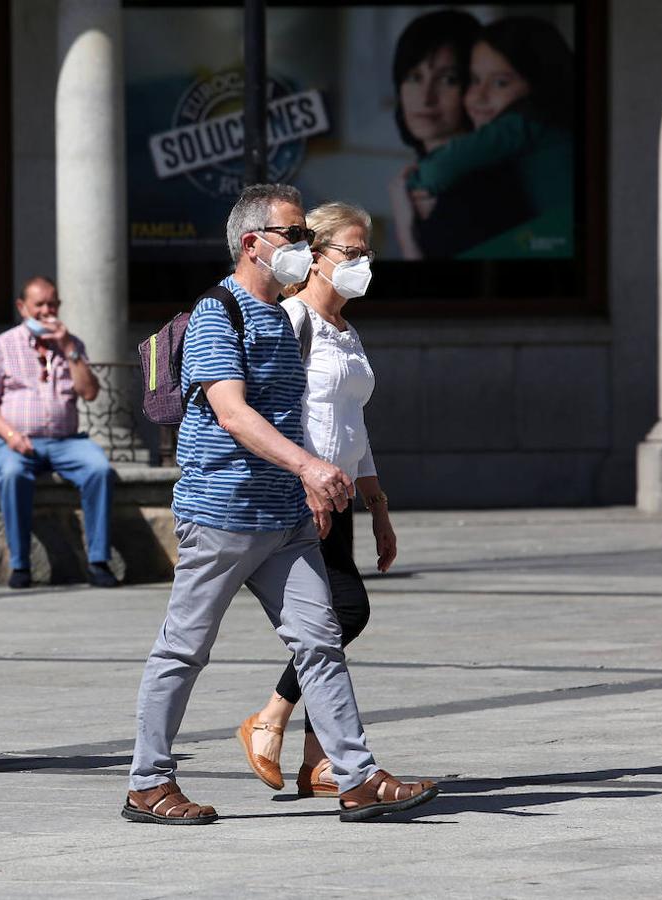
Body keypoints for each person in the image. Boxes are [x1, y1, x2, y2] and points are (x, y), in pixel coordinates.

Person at [123, 184, 438, 825]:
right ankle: (147, 784)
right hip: (221, 516)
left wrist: (321, 486)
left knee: (321, 641)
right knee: (183, 650)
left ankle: (355, 777)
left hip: (284, 522)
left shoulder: (279, 317)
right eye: (294, 236)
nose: (303, 247)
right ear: (252, 244)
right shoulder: (221, 311)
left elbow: (295, 418)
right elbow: (233, 413)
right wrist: (308, 466)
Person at [234, 202, 398, 800]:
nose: (360, 264)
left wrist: (377, 504)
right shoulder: (293, 319)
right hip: (305, 493)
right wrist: (302, 474)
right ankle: (270, 717)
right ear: (316, 256)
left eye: (366, 254)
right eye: (349, 253)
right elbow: (283, 412)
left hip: (343, 492)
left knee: (328, 624)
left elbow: (352, 419)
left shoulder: (346, 332)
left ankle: (316, 759)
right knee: (341, 615)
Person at [0, 276, 119, 589]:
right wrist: (11, 436)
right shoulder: (2, 346)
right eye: (40, 304)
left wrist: (68, 349)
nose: (47, 310)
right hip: (17, 442)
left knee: (99, 470)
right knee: (11, 474)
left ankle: (98, 561)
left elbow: (89, 392)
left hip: (66, 442)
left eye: (52, 303)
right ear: (23, 307)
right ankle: (21, 565)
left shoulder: (72, 344)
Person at [404, 16, 575, 254]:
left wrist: (411, 186)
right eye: (474, 80)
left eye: (501, 83)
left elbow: (436, 170)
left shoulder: (524, 121)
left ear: (539, 84)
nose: (478, 96)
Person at [386, 9, 529, 259]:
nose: (426, 97)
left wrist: (405, 231)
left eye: (447, 79)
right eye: (414, 77)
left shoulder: (486, 191)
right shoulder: (422, 181)